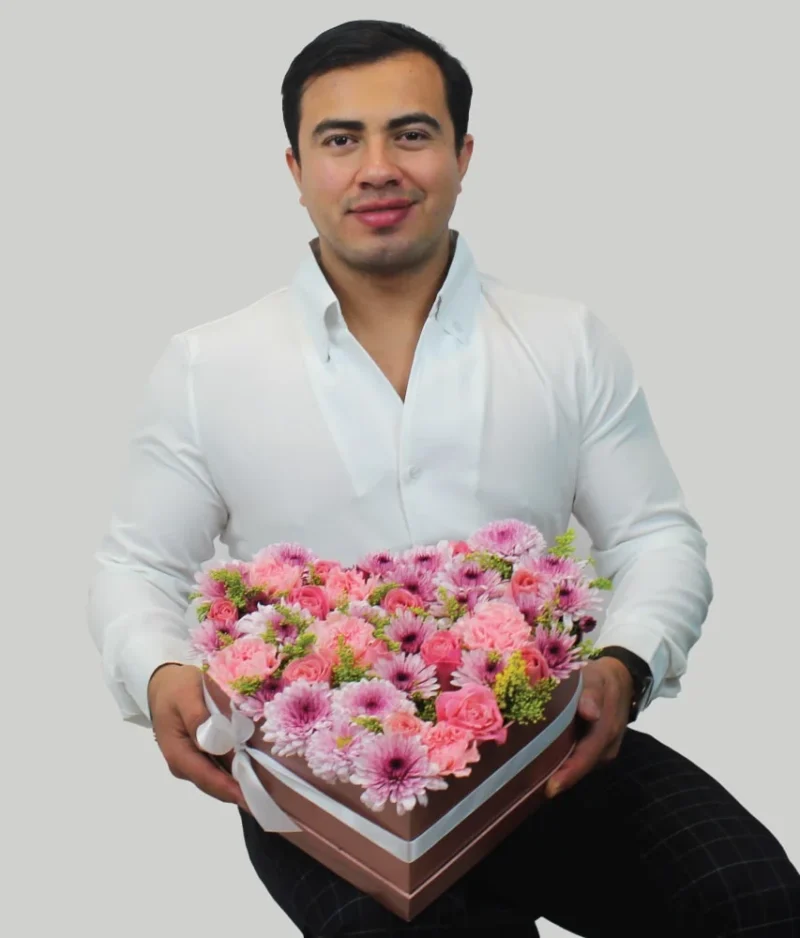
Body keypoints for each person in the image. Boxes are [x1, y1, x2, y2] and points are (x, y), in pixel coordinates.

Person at [88, 18, 800, 938]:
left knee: (755, 902)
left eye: (412, 133)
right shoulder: (207, 365)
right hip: (326, 780)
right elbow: (135, 566)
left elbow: (656, 534)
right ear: (296, 169)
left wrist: (626, 664)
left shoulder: (563, 340)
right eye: (340, 139)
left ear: (463, 154)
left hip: (547, 746)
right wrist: (157, 673)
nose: (377, 166)